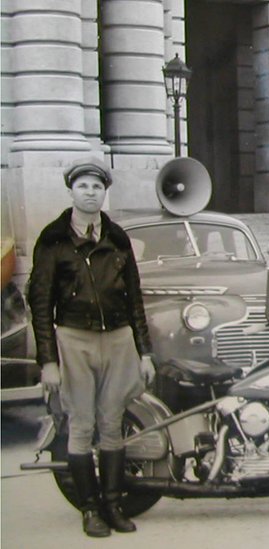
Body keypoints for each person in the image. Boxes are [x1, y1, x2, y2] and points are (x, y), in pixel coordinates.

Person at [28, 157, 155, 538]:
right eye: (83, 186)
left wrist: (145, 351)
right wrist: (48, 361)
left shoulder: (117, 237)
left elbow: (135, 298)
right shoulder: (53, 239)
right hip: (74, 340)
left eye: (96, 187)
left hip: (117, 339)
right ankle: (89, 509)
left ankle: (113, 505)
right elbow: (40, 303)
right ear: (71, 191)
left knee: (112, 423)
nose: (90, 192)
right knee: (81, 427)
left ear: (104, 193)